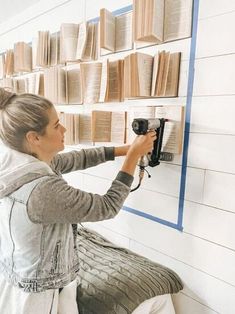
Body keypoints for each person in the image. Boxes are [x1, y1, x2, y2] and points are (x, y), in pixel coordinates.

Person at [0, 88, 156, 314]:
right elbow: (107, 207)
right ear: (34, 138)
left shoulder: (18, 165)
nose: (64, 129)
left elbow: (75, 159)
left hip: (16, 274)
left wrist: (124, 150)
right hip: (38, 293)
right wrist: (132, 158)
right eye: (56, 125)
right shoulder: (43, 190)